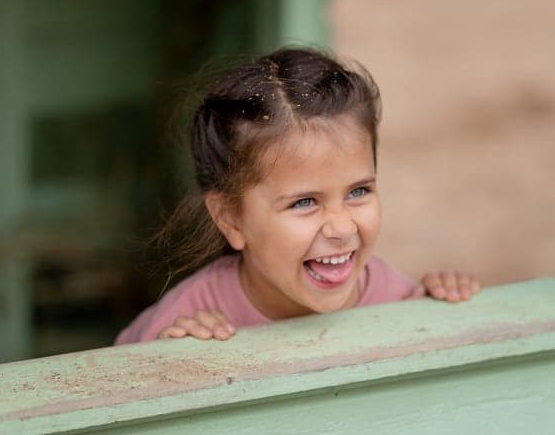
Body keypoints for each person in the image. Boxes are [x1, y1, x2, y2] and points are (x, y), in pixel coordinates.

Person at [115, 47, 479, 344]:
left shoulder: (391, 296)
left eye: (358, 191)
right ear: (231, 218)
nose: (340, 226)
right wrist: (168, 367)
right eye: (304, 202)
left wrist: (436, 306)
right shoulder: (188, 322)